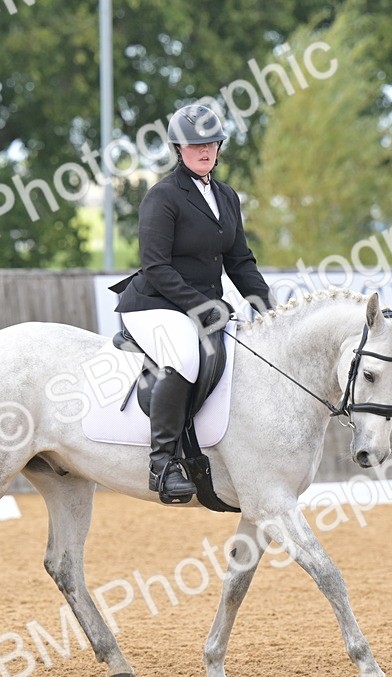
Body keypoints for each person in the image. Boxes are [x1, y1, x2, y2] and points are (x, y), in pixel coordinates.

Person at [110, 104, 274, 502]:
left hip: (200, 303)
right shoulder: (163, 196)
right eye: (194, 144)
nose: (204, 150)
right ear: (178, 149)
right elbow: (156, 266)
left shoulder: (226, 196)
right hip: (154, 303)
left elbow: (239, 261)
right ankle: (162, 464)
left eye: (211, 143)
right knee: (184, 356)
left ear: (219, 147)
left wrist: (268, 309)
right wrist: (202, 305)